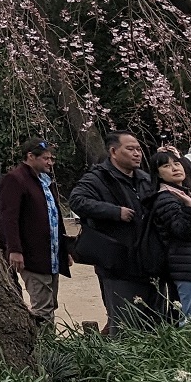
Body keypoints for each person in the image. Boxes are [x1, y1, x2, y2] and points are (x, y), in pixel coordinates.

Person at [72, 130, 168, 333]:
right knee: (125, 325)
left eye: (139, 149)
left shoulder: (144, 178)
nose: (137, 154)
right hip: (118, 264)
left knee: (154, 325)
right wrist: (115, 212)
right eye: (130, 149)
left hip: (149, 263)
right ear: (113, 152)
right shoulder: (97, 178)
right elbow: (77, 201)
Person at [0, 140, 68, 328]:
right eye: (45, 158)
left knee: (51, 303)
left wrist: (64, 249)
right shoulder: (16, 179)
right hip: (32, 254)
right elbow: (9, 217)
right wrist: (15, 249)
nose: (50, 163)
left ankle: (51, 347)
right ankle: (45, 350)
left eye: (52, 158)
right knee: (42, 307)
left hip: (52, 254)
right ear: (30, 156)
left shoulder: (46, 180)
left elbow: (56, 216)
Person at [153, 147, 191, 325]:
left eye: (177, 163)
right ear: (158, 174)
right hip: (187, 268)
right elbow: (182, 231)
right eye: (166, 165)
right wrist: (189, 207)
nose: (174, 168)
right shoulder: (165, 197)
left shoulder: (185, 191)